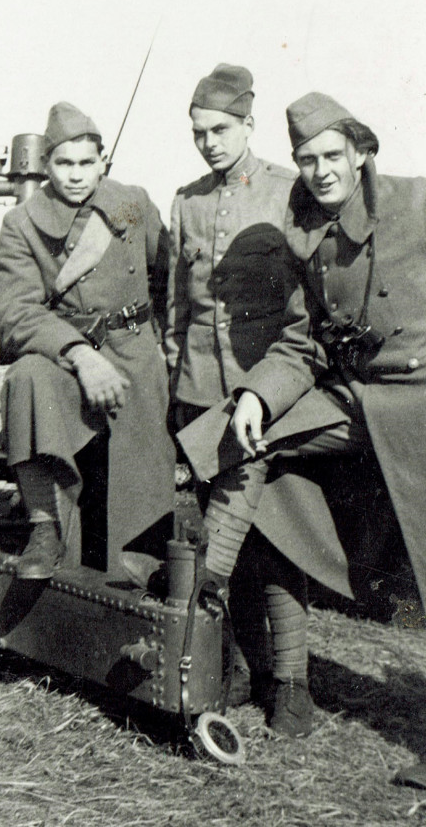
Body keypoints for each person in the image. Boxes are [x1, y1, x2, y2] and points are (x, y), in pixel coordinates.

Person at [180, 90, 426, 738]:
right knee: (240, 434)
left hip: (420, 404)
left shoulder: (417, 204)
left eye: (331, 155)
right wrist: (258, 395)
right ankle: (205, 587)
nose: (320, 170)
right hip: (358, 399)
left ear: (362, 153)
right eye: (306, 158)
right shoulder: (309, 236)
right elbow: (302, 340)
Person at [165, 63, 300, 713]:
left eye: (220, 129)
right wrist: (175, 387)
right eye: (198, 132)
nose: (209, 142)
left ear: (249, 123)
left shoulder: (287, 192)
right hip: (199, 390)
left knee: (268, 537)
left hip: (264, 395)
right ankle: (241, 670)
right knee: (227, 544)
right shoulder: (186, 200)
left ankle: (289, 681)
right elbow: (178, 310)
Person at [0, 100, 175, 580]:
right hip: (66, 354)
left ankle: (142, 559)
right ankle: (44, 527)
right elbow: (16, 312)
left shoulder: (132, 203)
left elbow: (169, 273)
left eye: (86, 163)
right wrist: (79, 354)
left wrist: (163, 339)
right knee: (25, 378)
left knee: (142, 515)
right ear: (46, 165)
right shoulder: (22, 223)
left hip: (135, 349)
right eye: (64, 163)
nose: (75, 175)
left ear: (103, 163)